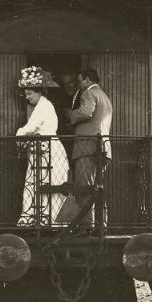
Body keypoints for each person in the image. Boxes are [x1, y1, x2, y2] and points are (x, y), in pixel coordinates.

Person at [14, 66, 69, 226]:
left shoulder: (44, 106)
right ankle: (41, 219)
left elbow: (30, 128)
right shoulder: (41, 106)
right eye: (26, 94)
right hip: (43, 149)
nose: (27, 97)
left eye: (29, 93)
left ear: (38, 92)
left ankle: (47, 220)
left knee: (47, 182)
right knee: (40, 182)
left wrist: (19, 133)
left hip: (48, 150)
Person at [68, 68, 113, 221]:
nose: (79, 85)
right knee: (97, 188)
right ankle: (100, 223)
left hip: (87, 147)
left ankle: (87, 226)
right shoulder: (104, 97)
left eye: (80, 81)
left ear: (87, 80)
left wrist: (70, 115)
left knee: (84, 188)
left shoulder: (88, 93)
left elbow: (86, 112)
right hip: (102, 148)